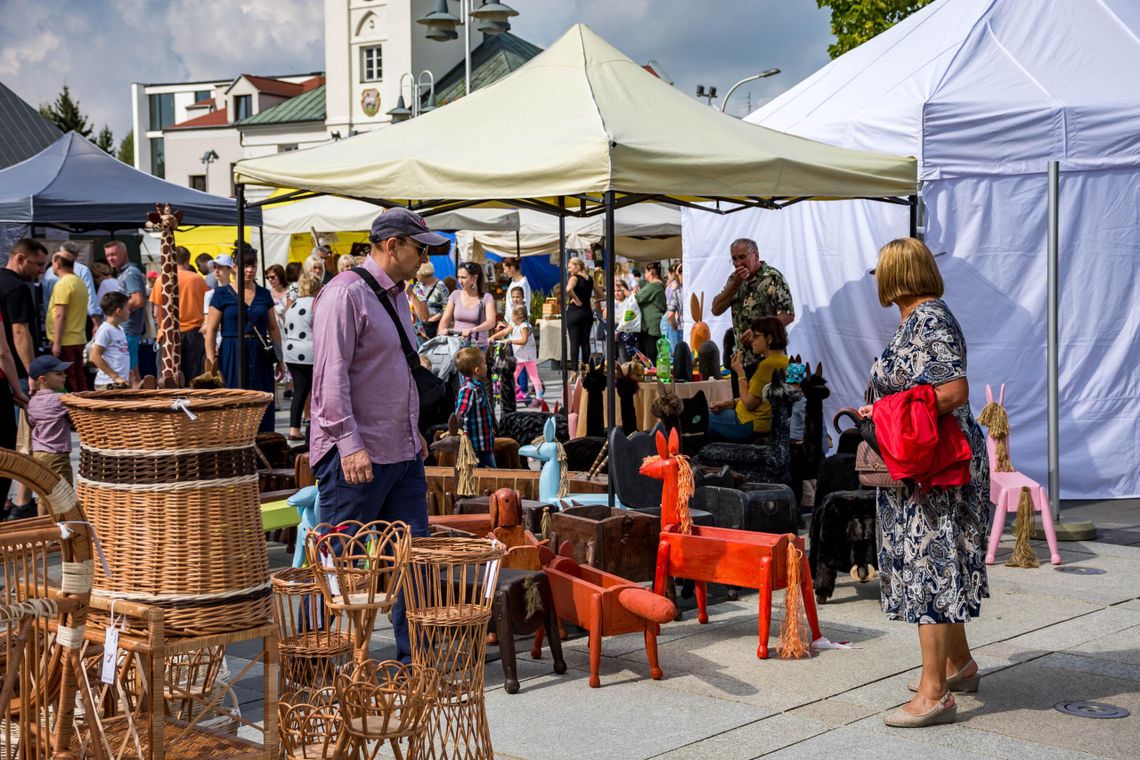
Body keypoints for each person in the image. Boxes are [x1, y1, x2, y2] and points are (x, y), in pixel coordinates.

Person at [860, 239, 989, 728]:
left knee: (929, 564)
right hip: (928, 463)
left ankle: (934, 692)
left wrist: (889, 410)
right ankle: (960, 664)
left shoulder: (930, 319)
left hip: (936, 468)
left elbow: (954, 390)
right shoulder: (918, 318)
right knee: (936, 561)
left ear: (895, 274)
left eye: (879, 270)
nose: (875, 277)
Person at [310, 207, 445, 664]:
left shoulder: (396, 296)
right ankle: (321, 664)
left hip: (400, 451)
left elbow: (394, 370)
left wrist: (414, 433)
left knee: (413, 560)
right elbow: (330, 380)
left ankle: (417, 664)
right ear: (393, 245)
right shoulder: (344, 295)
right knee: (338, 566)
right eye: (419, 248)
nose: (424, 258)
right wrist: (349, 445)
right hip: (357, 455)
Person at [204, 249, 285, 432]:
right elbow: (211, 329)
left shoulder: (264, 294)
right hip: (231, 351)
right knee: (233, 398)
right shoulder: (221, 294)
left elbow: (273, 329)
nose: (250, 270)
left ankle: (264, 441)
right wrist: (211, 360)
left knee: (262, 398)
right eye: (245, 265)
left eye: (253, 265)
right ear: (235, 267)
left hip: (260, 353)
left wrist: (280, 359)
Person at [710, 238, 795, 387]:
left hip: (768, 359)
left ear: (756, 255)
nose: (738, 263)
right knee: (741, 406)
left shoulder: (773, 278)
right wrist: (734, 285)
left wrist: (759, 330)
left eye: (742, 257)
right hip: (741, 361)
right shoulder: (734, 279)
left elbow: (788, 314)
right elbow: (716, 309)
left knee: (765, 407)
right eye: (734, 259)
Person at [0, 240, 43, 519]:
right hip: (10, 377)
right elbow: (18, 334)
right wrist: (31, 375)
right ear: (20, 258)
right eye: (37, 264)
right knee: (17, 446)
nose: (42, 270)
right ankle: (18, 503)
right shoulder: (17, 288)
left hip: (7, 374)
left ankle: (16, 501)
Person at [708, 316, 789, 441]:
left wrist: (740, 372)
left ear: (769, 339)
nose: (751, 340)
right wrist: (728, 403)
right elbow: (757, 398)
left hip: (749, 423)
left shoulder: (767, 365)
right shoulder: (783, 360)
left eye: (756, 336)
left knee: (702, 416)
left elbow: (749, 403)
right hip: (752, 421)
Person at [150, 246, 209, 382]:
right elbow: (206, 308)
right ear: (187, 261)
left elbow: (157, 312)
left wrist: (163, 328)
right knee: (193, 380)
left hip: (169, 334)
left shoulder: (162, 279)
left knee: (166, 380)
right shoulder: (198, 279)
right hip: (194, 334)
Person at [25, 354, 75, 490]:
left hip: (38, 452)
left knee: (45, 491)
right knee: (64, 493)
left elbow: (32, 421)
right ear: (43, 379)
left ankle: (43, 512)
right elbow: (75, 418)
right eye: (59, 373)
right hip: (57, 454)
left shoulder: (32, 401)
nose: (64, 376)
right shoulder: (61, 399)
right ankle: (62, 513)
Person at [283, 273, 321, 441]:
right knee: (317, 392)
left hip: (292, 353)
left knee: (300, 392)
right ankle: (315, 427)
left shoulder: (293, 305)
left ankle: (294, 428)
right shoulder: (316, 304)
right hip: (310, 353)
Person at [104, 241, 147, 385]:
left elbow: (138, 300)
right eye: (108, 255)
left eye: (114, 254)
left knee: (130, 370)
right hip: (127, 329)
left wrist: (117, 315)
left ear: (124, 254)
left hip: (129, 329)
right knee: (131, 369)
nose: (111, 258)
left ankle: (137, 403)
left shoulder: (130, 273)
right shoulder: (124, 273)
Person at [45, 248, 88, 392]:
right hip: (78, 338)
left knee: (66, 378)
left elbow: (60, 315)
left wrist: (56, 343)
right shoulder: (79, 282)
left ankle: (73, 409)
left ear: (57, 264)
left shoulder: (63, 284)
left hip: (65, 340)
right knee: (79, 376)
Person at [491, 304, 544, 405]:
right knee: (513, 375)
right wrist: (492, 337)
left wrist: (510, 341)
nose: (511, 317)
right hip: (519, 356)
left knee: (533, 376)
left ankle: (539, 397)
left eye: (512, 315)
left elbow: (524, 340)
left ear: (518, 316)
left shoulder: (524, 326)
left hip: (528, 357)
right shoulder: (514, 324)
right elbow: (505, 331)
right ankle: (517, 392)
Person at [454, 346, 497, 468]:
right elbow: (460, 415)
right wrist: (464, 437)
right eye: (484, 363)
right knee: (490, 474)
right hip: (475, 446)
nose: (486, 365)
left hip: (484, 443)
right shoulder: (468, 390)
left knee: (490, 473)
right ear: (477, 370)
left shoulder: (479, 387)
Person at [43, 242, 101, 329]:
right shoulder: (83, 270)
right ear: (76, 255)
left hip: (54, 321)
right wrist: (96, 323)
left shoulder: (49, 271)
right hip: (78, 321)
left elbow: (46, 299)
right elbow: (90, 296)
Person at [438, 262, 496, 347]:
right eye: (458, 277)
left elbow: (491, 322)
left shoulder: (486, 298)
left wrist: (473, 330)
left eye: (463, 277)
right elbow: (445, 320)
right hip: (456, 344)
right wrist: (442, 330)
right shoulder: (455, 294)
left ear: (475, 278)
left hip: (477, 347)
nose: (460, 281)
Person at [90, 292, 130, 390]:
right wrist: (116, 377)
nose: (129, 312)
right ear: (119, 311)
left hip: (119, 383)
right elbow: (94, 356)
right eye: (127, 309)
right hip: (108, 384)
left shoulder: (120, 329)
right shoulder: (105, 330)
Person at [564, 256, 594, 371]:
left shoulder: (574, 278)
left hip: (575, 312)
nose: (569, 270)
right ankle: (586, 368)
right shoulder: (590, 279)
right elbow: (601, 293)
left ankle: (575, 371)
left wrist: (576, 299)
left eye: (570, 267)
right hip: (587, 312)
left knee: (574, 342)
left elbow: (568, 289)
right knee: (585, 342)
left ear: (577, 267)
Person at [635, 262, 667, 363]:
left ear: (651, 272)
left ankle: (651, 376)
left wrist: (629, 292)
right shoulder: (657, 285)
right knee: (648, 355)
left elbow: (638, 297)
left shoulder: (655, 286)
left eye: (646, 271)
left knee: (650, 356)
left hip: (651, 327)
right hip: (650, 326)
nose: (645, 274)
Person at [410, 262, 448, 340]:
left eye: (417, 274)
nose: (415, 276)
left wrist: (433, 319)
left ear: (423, 274)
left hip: (434, 326)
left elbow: (447, 307)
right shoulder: (418, 285)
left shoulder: (440, 286)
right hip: (419, 325)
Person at [612, 279, 641, 361]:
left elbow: (632, 299)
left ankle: (625, 369)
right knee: (612, 355)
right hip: (614, 329)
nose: (616, 293)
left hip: (626, 332)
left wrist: (623, 288)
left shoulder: (629, 301)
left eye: (619, 291)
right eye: (614, 291)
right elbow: (605, 316)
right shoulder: (613, 302)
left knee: (624, 356)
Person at [664, 262, 684, 349]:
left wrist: (674, 326)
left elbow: (670, 315)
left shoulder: (678, 292)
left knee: (679, 355)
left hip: (681, 328)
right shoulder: (698, 289)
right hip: (698, 328)